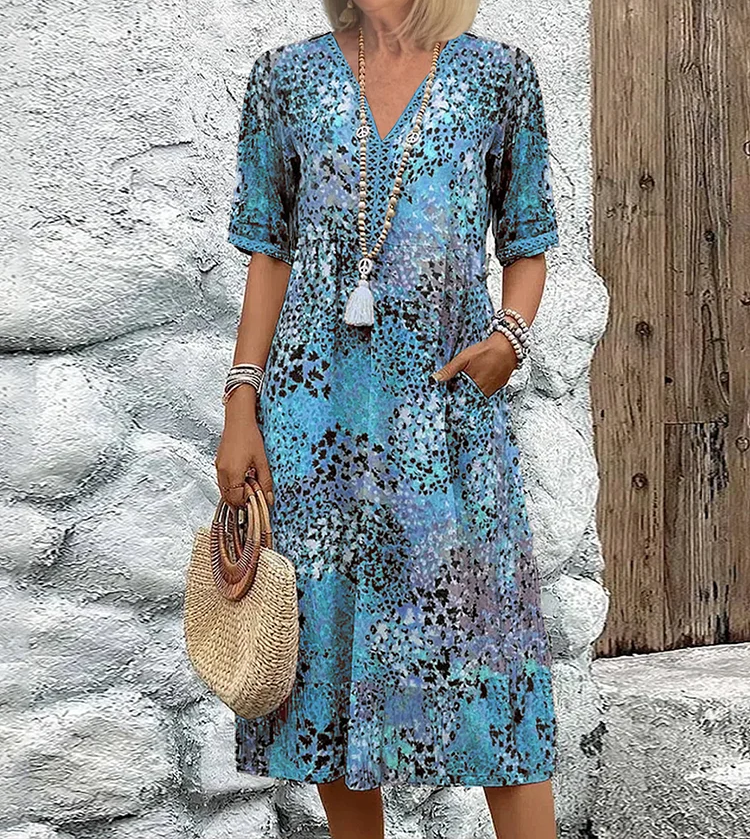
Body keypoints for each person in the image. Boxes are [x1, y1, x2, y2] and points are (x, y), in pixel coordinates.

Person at [215, 1, 561, 837]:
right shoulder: (286, 79)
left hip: (447, 423)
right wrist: (241, 400)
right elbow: (270, 252)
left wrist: (509, 339)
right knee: (326, 665)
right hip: (314, 419)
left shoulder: (498, 76)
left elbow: (527, 239)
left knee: (492, 669)